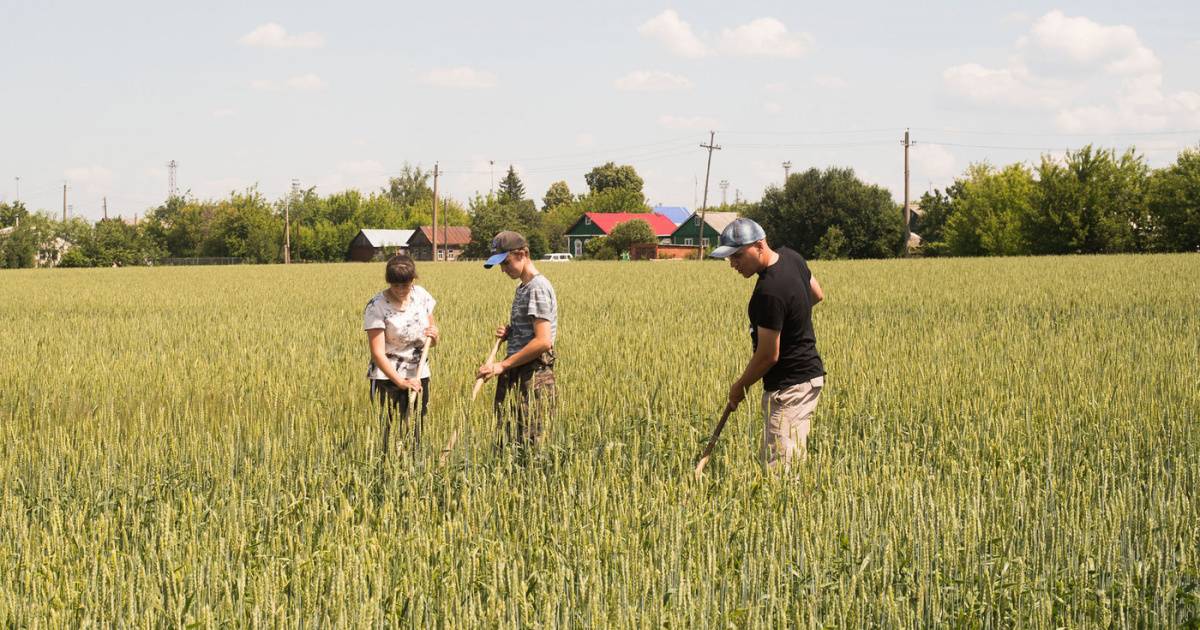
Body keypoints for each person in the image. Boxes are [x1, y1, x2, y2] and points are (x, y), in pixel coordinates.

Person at [709, 218, 825, 470]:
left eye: (738, 255)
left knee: (779, 473)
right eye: (729, 258)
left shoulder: (768, 292)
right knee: (792, 464)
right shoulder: (792, 257)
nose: (733, 264)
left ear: (759, 246)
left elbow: (768, 355)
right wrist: (790, 322)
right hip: (809, 379)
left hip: (789, 389)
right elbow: (816, 294)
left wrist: (739, 386)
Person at [476, 231, 557, 446]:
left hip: (534, 374)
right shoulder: (522, 287)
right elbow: (531, 332)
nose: (503, 269)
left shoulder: (537, 288)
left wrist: (502, 365)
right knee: (507, 439)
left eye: (506, 262)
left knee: (531, 444)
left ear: (522, 254)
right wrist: (512, 333)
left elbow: (543, 341)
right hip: (518, 369)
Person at [363, 253, 439, 455]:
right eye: (395, 285)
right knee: (389, 435)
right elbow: (377, 353)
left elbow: (431, 338)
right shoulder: (376, 306)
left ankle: (414, 476)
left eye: (405, 285)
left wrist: (435, 335)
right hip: (387, 379)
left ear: (413, 280)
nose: (401, 290)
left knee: (416, 432)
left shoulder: (422, 296)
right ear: (389, 282)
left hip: (418, 374)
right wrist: (401, 382)